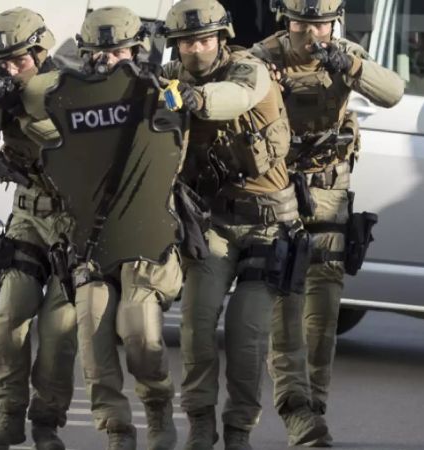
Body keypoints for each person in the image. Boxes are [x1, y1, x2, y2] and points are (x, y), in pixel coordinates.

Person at [252, 1, 404, 446]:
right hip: (278, 193)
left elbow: (392, 92)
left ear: (333, 23)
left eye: (320, 24)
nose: (311, 32)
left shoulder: (344, 53)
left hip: (328, 195)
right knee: (284, 302)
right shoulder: (264, 57)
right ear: (287, 21)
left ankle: (314, 411)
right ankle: (296, 410)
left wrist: (350, 64)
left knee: (323, 310)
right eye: (302, 23)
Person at [159, 0, 306, 448]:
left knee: (246, 334)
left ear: (222, 39)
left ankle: (238, 430)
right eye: (186, 42)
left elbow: (235, 98)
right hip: (213, 225)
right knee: (197, 325)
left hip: (267, 227)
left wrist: (195, 98)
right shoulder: (171, 83)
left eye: (204, 39)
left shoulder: (250, 69)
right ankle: (201, 423)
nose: (196, 49)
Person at [0, 7, 75, 450]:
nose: (10, 69)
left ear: (41, 52)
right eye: (2, 63)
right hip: (28, 216)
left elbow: (67, 143)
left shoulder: (69, 85)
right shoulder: (3, 90)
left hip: (73, 223)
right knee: (10, 320)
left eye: (19, 60)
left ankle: (46, 423)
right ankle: (8, 416)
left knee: (60, 332)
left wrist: (23, 111)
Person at [69, 7, 180, 450]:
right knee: (92, 327)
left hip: (146, 236)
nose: (108, 60)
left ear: (136, 49)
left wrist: (154, 89)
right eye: (98, 53)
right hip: (94, 239)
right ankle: (116, 429)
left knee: (140, 332)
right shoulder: (71, 96)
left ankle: (157, 410)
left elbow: (183, 116)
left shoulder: (161, 87)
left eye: (117, 51)